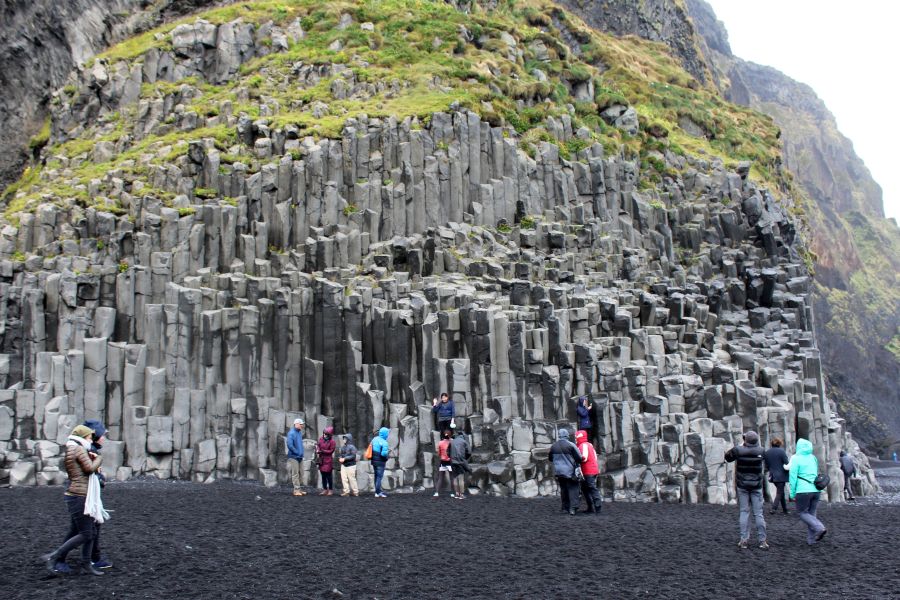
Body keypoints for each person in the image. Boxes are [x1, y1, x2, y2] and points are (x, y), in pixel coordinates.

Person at [42, 425, 104, 576]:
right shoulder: (78, 449)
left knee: (91, 531)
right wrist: (99, 459)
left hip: (79, 494)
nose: (91, 440)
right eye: (89, 437)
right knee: (86, 533)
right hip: (79, 496)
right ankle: (55, 556)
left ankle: (86, 564)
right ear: (83, 437)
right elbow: (89, 469)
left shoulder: (73, 448)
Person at [724, 430, 768, 549]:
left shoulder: (738, 450)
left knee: (744, 511)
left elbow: (727, 457)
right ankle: (762, 541)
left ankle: (744, 540)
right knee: (758, 513)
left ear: (745, 440)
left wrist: (740, 446)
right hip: (757, 485)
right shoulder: (761, 451)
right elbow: (767, 464)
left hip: (742, 485)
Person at [790, 438, 827, 545]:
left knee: (802, 513)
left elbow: (793, 478)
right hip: (816, 490)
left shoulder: (796, 459)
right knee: (812, 514)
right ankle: (811, 540)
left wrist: (792, 494)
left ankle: (819, 528)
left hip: (803, 490)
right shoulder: (813, 458)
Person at [549, 429, 582, 515]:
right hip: (570, 471)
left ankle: (565, 507)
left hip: (559, 472)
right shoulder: (571, 445)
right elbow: (579, 458)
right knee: (573, 488)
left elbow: (550, 458)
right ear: (567, 435)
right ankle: (573, 508)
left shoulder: (553, 446)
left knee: (563, 489)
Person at [575, 430, 601, 514]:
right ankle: (593, 507)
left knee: (590, 488)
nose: (575, 439)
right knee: (587, 489)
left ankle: (596, 507)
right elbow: (595, 456)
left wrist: (576, 459)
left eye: (576, 437)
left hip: (588, 471)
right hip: (593, 470)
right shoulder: (589, 444)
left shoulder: (582, 445)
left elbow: (584, 457)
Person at [764, 437, 790, 514]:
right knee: (779, 492)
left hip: (772, 475)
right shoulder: (781, 452)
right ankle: (774, 508)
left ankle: (785, 509)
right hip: (781, 475)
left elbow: (767, 466)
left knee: (781, 492)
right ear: (779, 444)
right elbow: (786, 463)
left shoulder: (767, 452)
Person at [449, 424, 471, 499]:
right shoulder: (464, 441)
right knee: (461, 478)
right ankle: (461, 495)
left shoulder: (452, 442)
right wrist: (465, 458)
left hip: (453, 462)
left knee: (455, 478)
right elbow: (469, 452)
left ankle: (456, 494)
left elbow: (447, 452)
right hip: (460, 461)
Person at [286, 418, 306, 496]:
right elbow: (289, 445)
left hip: (300, 456)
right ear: (296, 424)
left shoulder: (299, 433)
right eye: (301, 424)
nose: (302, 426)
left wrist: (301, 453)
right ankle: (296, 490)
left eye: (302, 424)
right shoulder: (291, 433)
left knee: (301, 473)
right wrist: (297, 452)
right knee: (295, 473)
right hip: (294, 456)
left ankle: (299, 489)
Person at [316, 426, 337, 495]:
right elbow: (318, 445)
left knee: (329, 476)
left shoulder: (332, 442)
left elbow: (331, 451)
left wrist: (322, 451)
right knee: (323, 476)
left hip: (328, 460)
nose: (324, 435)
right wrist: (317, 449)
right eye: (324, 433)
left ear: (329, 435)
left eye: (326, 434)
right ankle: (325, 489)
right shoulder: (321, 439)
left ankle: (330, 489)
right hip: (321, 460)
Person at [371, 427, 390, 497]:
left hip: (374, 461)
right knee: (379, 477)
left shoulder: (374, 439)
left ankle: (376, 492)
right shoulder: (384, 442)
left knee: (376, 476)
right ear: (385, 434)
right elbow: (383, 454)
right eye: (387, 433)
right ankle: (378, 492)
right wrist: (387, 453)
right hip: (380, 462)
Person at [434, 429, 453, 498]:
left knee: (440, 478)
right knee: (451, 478)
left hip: (443, 461)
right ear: (450, 435)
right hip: (450, 461)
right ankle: (452, 493)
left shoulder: (440, 442)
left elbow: (438, 453)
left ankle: (436, 493)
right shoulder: (452, 442)